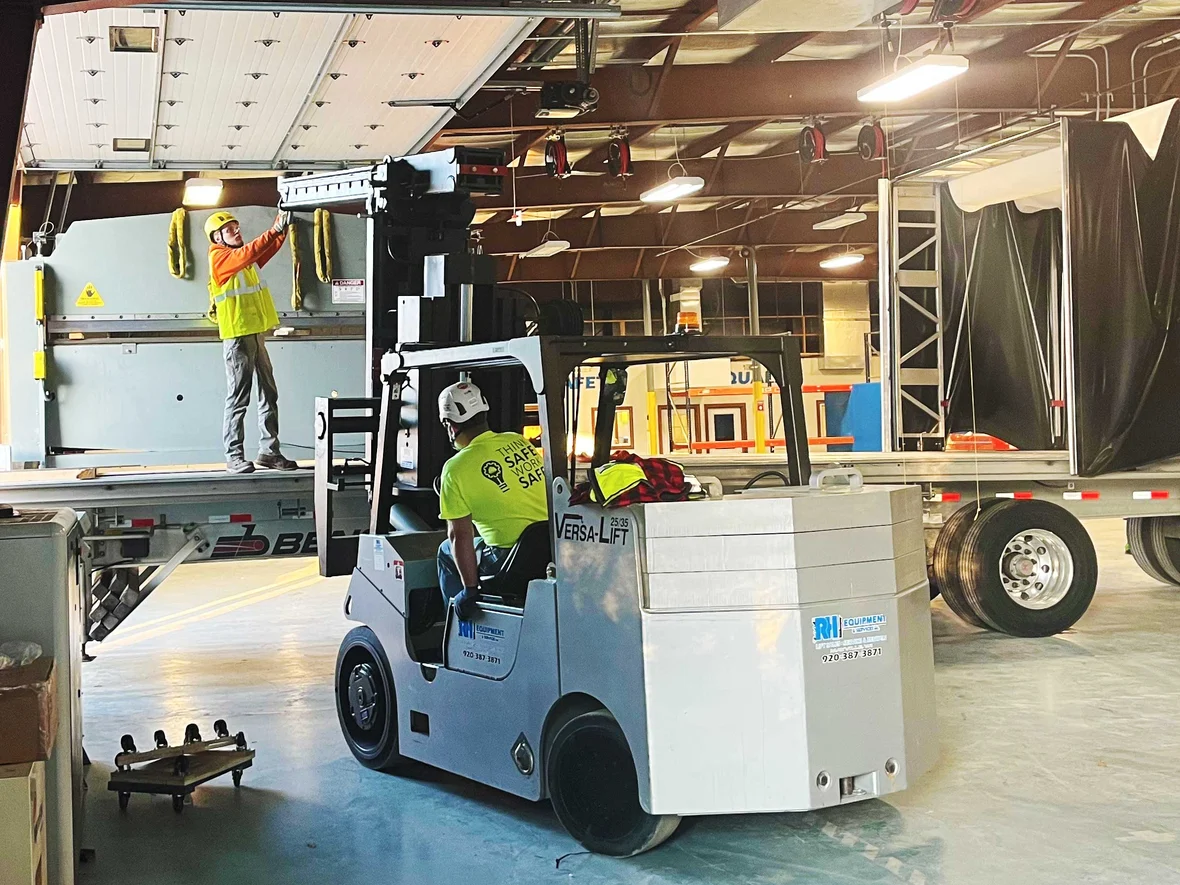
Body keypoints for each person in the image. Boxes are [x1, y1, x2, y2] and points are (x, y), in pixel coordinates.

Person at [436, 381, 548, 619]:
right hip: (548, 548)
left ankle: (459, 622)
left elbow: (459, 535)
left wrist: (470, 589)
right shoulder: (518, 441)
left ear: (451, 425)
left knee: (446, 550)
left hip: (507, 559)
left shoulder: (455, 469)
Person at [204, 210, 298, 475]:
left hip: (255, 334)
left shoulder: (242, 260)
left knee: (269, 392)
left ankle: (269, 452)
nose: (237, 231)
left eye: (237, 226)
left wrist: (282, 226)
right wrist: (274, 230)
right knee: (238, 397)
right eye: (229, 229)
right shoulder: (220, 258)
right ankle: (234, 456)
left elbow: (265, 249)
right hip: (237, 338)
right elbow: (251, 251)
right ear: (217, 237)